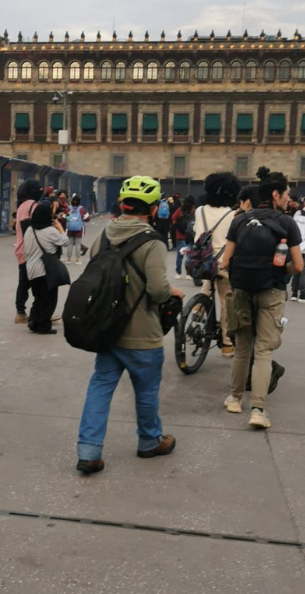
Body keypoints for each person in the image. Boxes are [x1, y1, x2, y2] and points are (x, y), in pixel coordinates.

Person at [76, 175, 183, 474]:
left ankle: (89, 452)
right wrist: (173, 291)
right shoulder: (152, 242)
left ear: (123, 204)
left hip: (108, 330)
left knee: (100, 388)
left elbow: (93, 275)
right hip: (142, 334)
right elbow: (158, 291)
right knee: (146, 391)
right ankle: (150, 442)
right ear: (152, 208)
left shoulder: (105, 234)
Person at [219, 171, 303, 430]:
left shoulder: (240, 220)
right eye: (287, 194)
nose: (289, 199)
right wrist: (281, 270)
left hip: (242, 290)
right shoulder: (287, 223)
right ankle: (257, 409)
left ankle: (234, 399)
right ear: (275, 195)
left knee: (242, 348)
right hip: (272, 291)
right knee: (263, 351)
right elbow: (298, 265)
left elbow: (225, 261)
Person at [194, 173, 241, 357]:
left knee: (209, 274)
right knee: (226, 301)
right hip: (223, 264)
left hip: (200, 261)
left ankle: (199, 305)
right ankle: (227, 343)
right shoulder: (233, 215)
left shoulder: (200, 211)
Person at [23, 201, 68, 333]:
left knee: (38, 298)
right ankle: (43, 326)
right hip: (45, 270)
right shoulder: (50, 231)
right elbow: (64, 242)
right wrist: (60, 227)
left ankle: (33, 321)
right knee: (49, 299)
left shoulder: (29, 230)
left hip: (31, 269)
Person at [13, 178, 44, 324]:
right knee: (40, 282)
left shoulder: (21, 206)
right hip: (31, 250)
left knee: (24, 282)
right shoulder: (32, 205)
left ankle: (21, 312)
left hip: (21, 249)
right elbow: (29, 228)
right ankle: (40, 312)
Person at [171, 195, 196, 279]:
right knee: (189, 255)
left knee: (179, 255)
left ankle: (178, 273)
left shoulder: (179, 210)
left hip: (179, 235)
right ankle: (188, 274)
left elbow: (173, 219)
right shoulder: (194, 210)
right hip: (190, 236)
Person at [64, 194, 89, 264]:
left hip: (70, 229)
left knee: (70, 244)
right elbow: (87, 218)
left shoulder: (68, 208)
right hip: (79, 229)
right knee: (78, 244)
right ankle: (77, 260)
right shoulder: (82, 209)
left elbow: (65, 217)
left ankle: (68, 259)